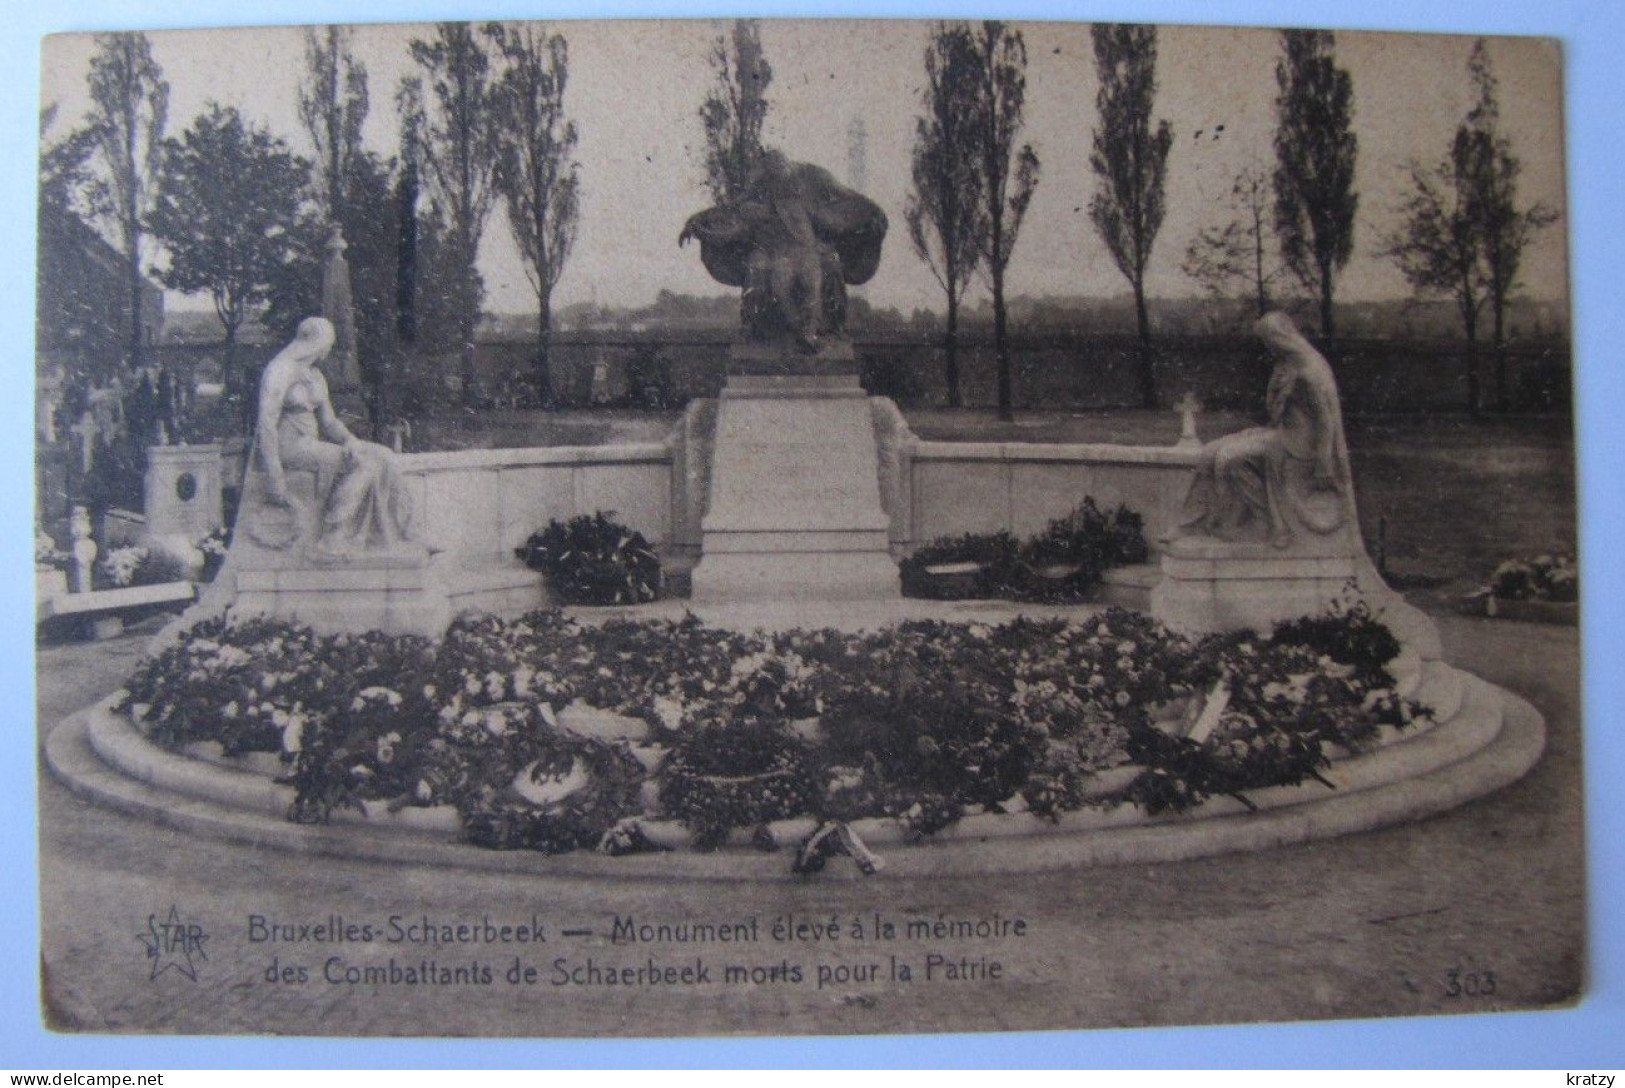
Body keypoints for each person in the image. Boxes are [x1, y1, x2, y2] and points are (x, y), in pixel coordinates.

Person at [1176, 311, 1354, 548]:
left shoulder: (1309, 371)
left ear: (1277, 338)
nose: (1266, 348)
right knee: (1211, 451)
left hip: (1299, 445)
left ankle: (1264, 524)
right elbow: (1273, 409)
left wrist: (1324, 463)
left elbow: (1326, 421)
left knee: (1230, 458)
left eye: (1267, 342)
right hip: (1282, 432)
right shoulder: (1287, 364)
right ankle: (1192, 523)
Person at [245, 316, 417, 557]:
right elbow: (266, 422)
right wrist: (275, 473)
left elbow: (329, 421)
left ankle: (404, 533)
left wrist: (350, 441)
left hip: (310, 445)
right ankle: (333, 536)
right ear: (317, 342)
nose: (329, 349)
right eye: (328, 343)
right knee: (364, 464)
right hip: (289, 447)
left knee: (385, 455)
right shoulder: (279, 370)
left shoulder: (314, 375)